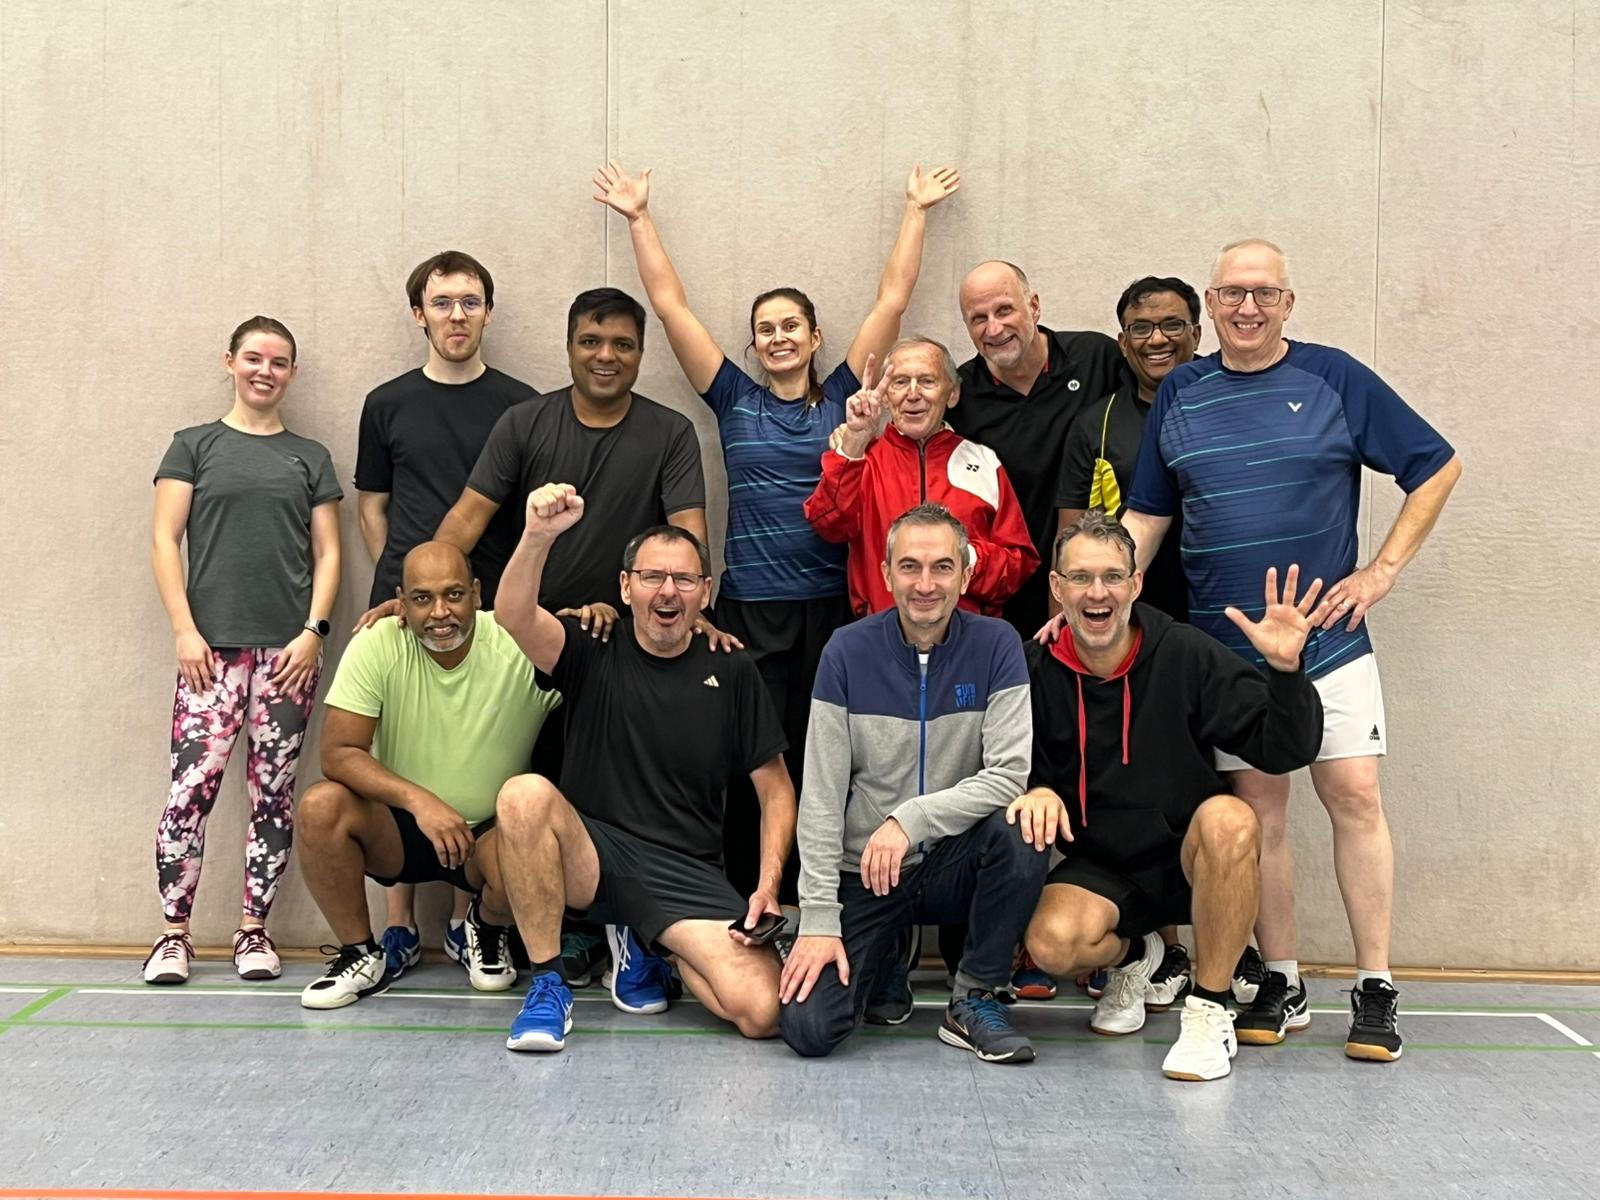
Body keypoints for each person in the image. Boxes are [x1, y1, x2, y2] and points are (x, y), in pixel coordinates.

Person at [1121, 238, 1462, 1061]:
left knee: (1353, 796)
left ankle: (1375, 987)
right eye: (1233, 295)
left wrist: (1379, 573)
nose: (1247, 309)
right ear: (1212, 301)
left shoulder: (1334, 378)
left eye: (1263, 295)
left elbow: (1436, 466)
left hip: (1328, 642)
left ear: (1287, 303)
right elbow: (1147, 516)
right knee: (1260, 810)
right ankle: (1280, 976)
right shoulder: (1182, 394)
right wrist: (1100, 589)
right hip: (1228, 650)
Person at [593, 160, 958, 898]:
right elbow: (670, 307)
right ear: (754, 347)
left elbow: (893, 298)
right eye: (766, 331)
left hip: (836, 609)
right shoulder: (733, 399)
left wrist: (917, 208)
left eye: (792, 325)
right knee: (751, 755)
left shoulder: (851, 393)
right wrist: (638, 218)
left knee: (830, 754)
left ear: (816, 334)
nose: (779, 337)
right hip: (751, 611)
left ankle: (821, 896)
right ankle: (743, 895)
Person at [485, 484, 796, 1052]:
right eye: (652, 577)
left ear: (704, 592)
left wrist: (768, 884)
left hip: (686, 872)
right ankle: (549, 984)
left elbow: (774, 786)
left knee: (762, 1011)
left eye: (683, 579)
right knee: (522, 796)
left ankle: (655, 944)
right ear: (626, 587)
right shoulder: (589, 644)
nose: (667, 591)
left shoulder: (732, 669)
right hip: (595, 856)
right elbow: (512, 615)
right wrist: (537, 535)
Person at [1019, 510, 1325, 1080]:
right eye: (1080, 578)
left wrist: (1286, 673)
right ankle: (1138, 958)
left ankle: (1208, 1012)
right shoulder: (1034, 668)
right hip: (1105, 866)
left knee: (1232, 820)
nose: (1097, 592)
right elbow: (1005, 762)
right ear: (1058, 589)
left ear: (1135, 584)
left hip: (1192, 858)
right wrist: (1034, 786)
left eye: (1112, 576)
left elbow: (1283, 749)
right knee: (1050, 944)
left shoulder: (1185, 653)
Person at [779, 504, 1044, 1064]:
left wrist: (910, 819)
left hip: (952, 860)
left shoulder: (997, 646)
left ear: (967, 574)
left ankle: (975, 996)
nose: (926, 584)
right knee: (809, 1029)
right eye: (910, 567)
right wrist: (820, 918)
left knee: (1021, 831)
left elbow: (1007, 776)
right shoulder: (846, 652)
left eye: (943, 567)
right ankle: (884, 955)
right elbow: (821, 799)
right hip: (868, 873)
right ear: (885, 572)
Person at [355, 250, 538, 981]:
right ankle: (398, 928)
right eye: (441, 303)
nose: (455, 315)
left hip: (491, 613)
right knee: (399, 748)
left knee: (479, 747)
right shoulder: (387, 402)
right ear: (418, 313)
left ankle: (469, 923)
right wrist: (402, 583)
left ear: (488, 311)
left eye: (470, 302)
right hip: (402, 609)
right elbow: (373, 504)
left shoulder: (521, 404)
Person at [145, 316, 342, 986]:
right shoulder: (193, 446)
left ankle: (253, 931)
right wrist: (184, 629)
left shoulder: (310, 456)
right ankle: (174, 934)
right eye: (254, 358)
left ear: (291, 372)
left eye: (279, 362)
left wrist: (313, 632)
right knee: (189, 791)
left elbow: (329, 552)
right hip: (211, 654)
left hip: (287, 658)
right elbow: (165, 540)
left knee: (273, 794)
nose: (265, 371)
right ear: (230, 361)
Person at [1030, 274, 1205, 1004]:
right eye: (1140, 327)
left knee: (1217, 795)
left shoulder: (1225, 404)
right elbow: (1074, 531)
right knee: (1125, 780)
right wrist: (1068, 609)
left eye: (1171, 324)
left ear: (1199, 329)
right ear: (1121, 337)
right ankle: (1154, 948)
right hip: (1114, 636)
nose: (1157, 338)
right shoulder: (1098, 423)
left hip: (1207, 629)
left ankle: (1230, 953)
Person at [296, 542, 560, 1009]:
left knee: (531, 842)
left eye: (454, 594)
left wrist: (598, 617)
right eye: (422, 598)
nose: (440, 612)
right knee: (320, 807)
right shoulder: (378, 641)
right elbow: (338, 753)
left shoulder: (521, 640)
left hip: (488, 839)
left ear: (478, 593)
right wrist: (420, 802)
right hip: (400, 828)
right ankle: (360, 953)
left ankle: (486, 925)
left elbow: (603, 659)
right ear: (401, 601)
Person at [804, 337, 1038, 619]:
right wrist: (854, 440)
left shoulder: (983, 461)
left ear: (952, 394)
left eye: (927, 381)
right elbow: (827, 525)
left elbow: (1019, 563)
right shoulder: (861, 458)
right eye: (900, 382)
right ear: (887, 396)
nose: (912, 394)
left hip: (967, 638)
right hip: (884, 636)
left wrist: (965, 558)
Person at [951, 261, 1125, 637]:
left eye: (1004, 310)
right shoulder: (960, 395)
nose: (993, 328)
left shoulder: (1098, 358)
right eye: (978, 318)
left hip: (1097, 584)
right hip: (1005, 593)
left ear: (1034, 306)